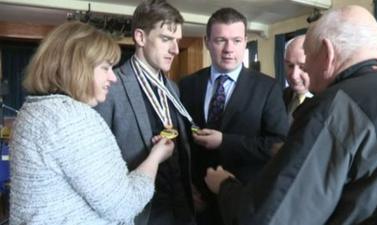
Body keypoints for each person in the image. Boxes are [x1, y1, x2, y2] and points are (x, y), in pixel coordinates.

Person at [204, 5, 377, 225]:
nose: (302, 71)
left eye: (306, 56)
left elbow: (271, 218)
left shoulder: (334, 107)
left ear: (327, 53)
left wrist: (225, 186)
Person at [9, 21, 175, 225]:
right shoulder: (73, 119)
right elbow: (123, 205)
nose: (113, 78)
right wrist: (156, 156)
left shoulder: (31, 111)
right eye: (106, 67)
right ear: (78, 68)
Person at [179, 7, 288, 225]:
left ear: (245, 41)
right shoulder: (187, 85)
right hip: (196, 202)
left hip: (243, 199)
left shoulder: (267, 88)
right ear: (207, 42)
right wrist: (185, 186)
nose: (229, 49)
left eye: (236, 40)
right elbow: (182, 142)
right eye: (220, 40)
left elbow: (278, 145)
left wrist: (225, 141)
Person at [94, 0, 195, 225]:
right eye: (166, 39)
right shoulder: (111, 87)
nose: (175, 50)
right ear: (140, 37)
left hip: (182, 211)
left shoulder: (172, 87)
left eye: (177, 41)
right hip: (141, 216)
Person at [283, 34, 313, 125]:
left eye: (302, 67)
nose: (294, 76)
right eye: (290, 66)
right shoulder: (279, 96)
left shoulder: (330, 102)